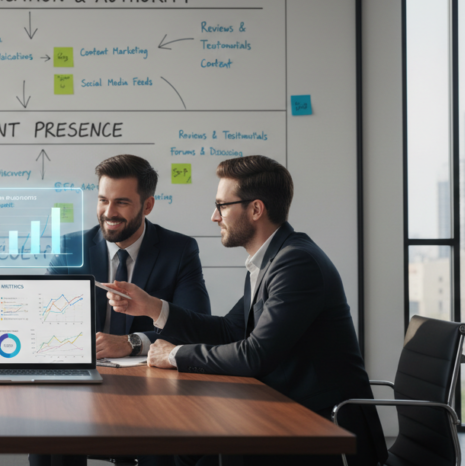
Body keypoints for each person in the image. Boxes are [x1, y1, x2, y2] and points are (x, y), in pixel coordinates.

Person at [105, 155, 387, 466]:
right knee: (173, 445)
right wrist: (153, 307)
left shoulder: (297, 263)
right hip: (282, 411)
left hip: (322, 428)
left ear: (255, 209)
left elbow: (256, 354)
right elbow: (229, 330)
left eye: (222, 206)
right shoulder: (270, 261)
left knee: (185, 448)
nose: (214, 216)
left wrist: (174, 355)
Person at [36, 155, 210, 466]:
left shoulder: (179, 250)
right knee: (49, 433)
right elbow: (42, 323)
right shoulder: (70, 248)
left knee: (163, 444)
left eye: (122, 202)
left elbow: (196, 327)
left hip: (151, 387)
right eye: (103, 200)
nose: (109, 212)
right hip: (78, 382)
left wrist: (132, 343)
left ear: (147, 205)